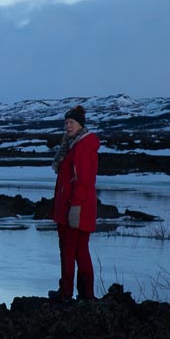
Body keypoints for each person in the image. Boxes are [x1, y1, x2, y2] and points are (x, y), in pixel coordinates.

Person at [49, 105, 99, 302]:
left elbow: (82, 180)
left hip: (75, 209)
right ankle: (86, 294)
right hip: (76, 208)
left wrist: (75, 207)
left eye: (71, 123)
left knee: (69, 250)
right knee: (79, 250)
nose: (68, 126)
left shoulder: (81, 148)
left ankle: (66, 293)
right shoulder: (74, 146)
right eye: (66, 123)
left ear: (80, 125)